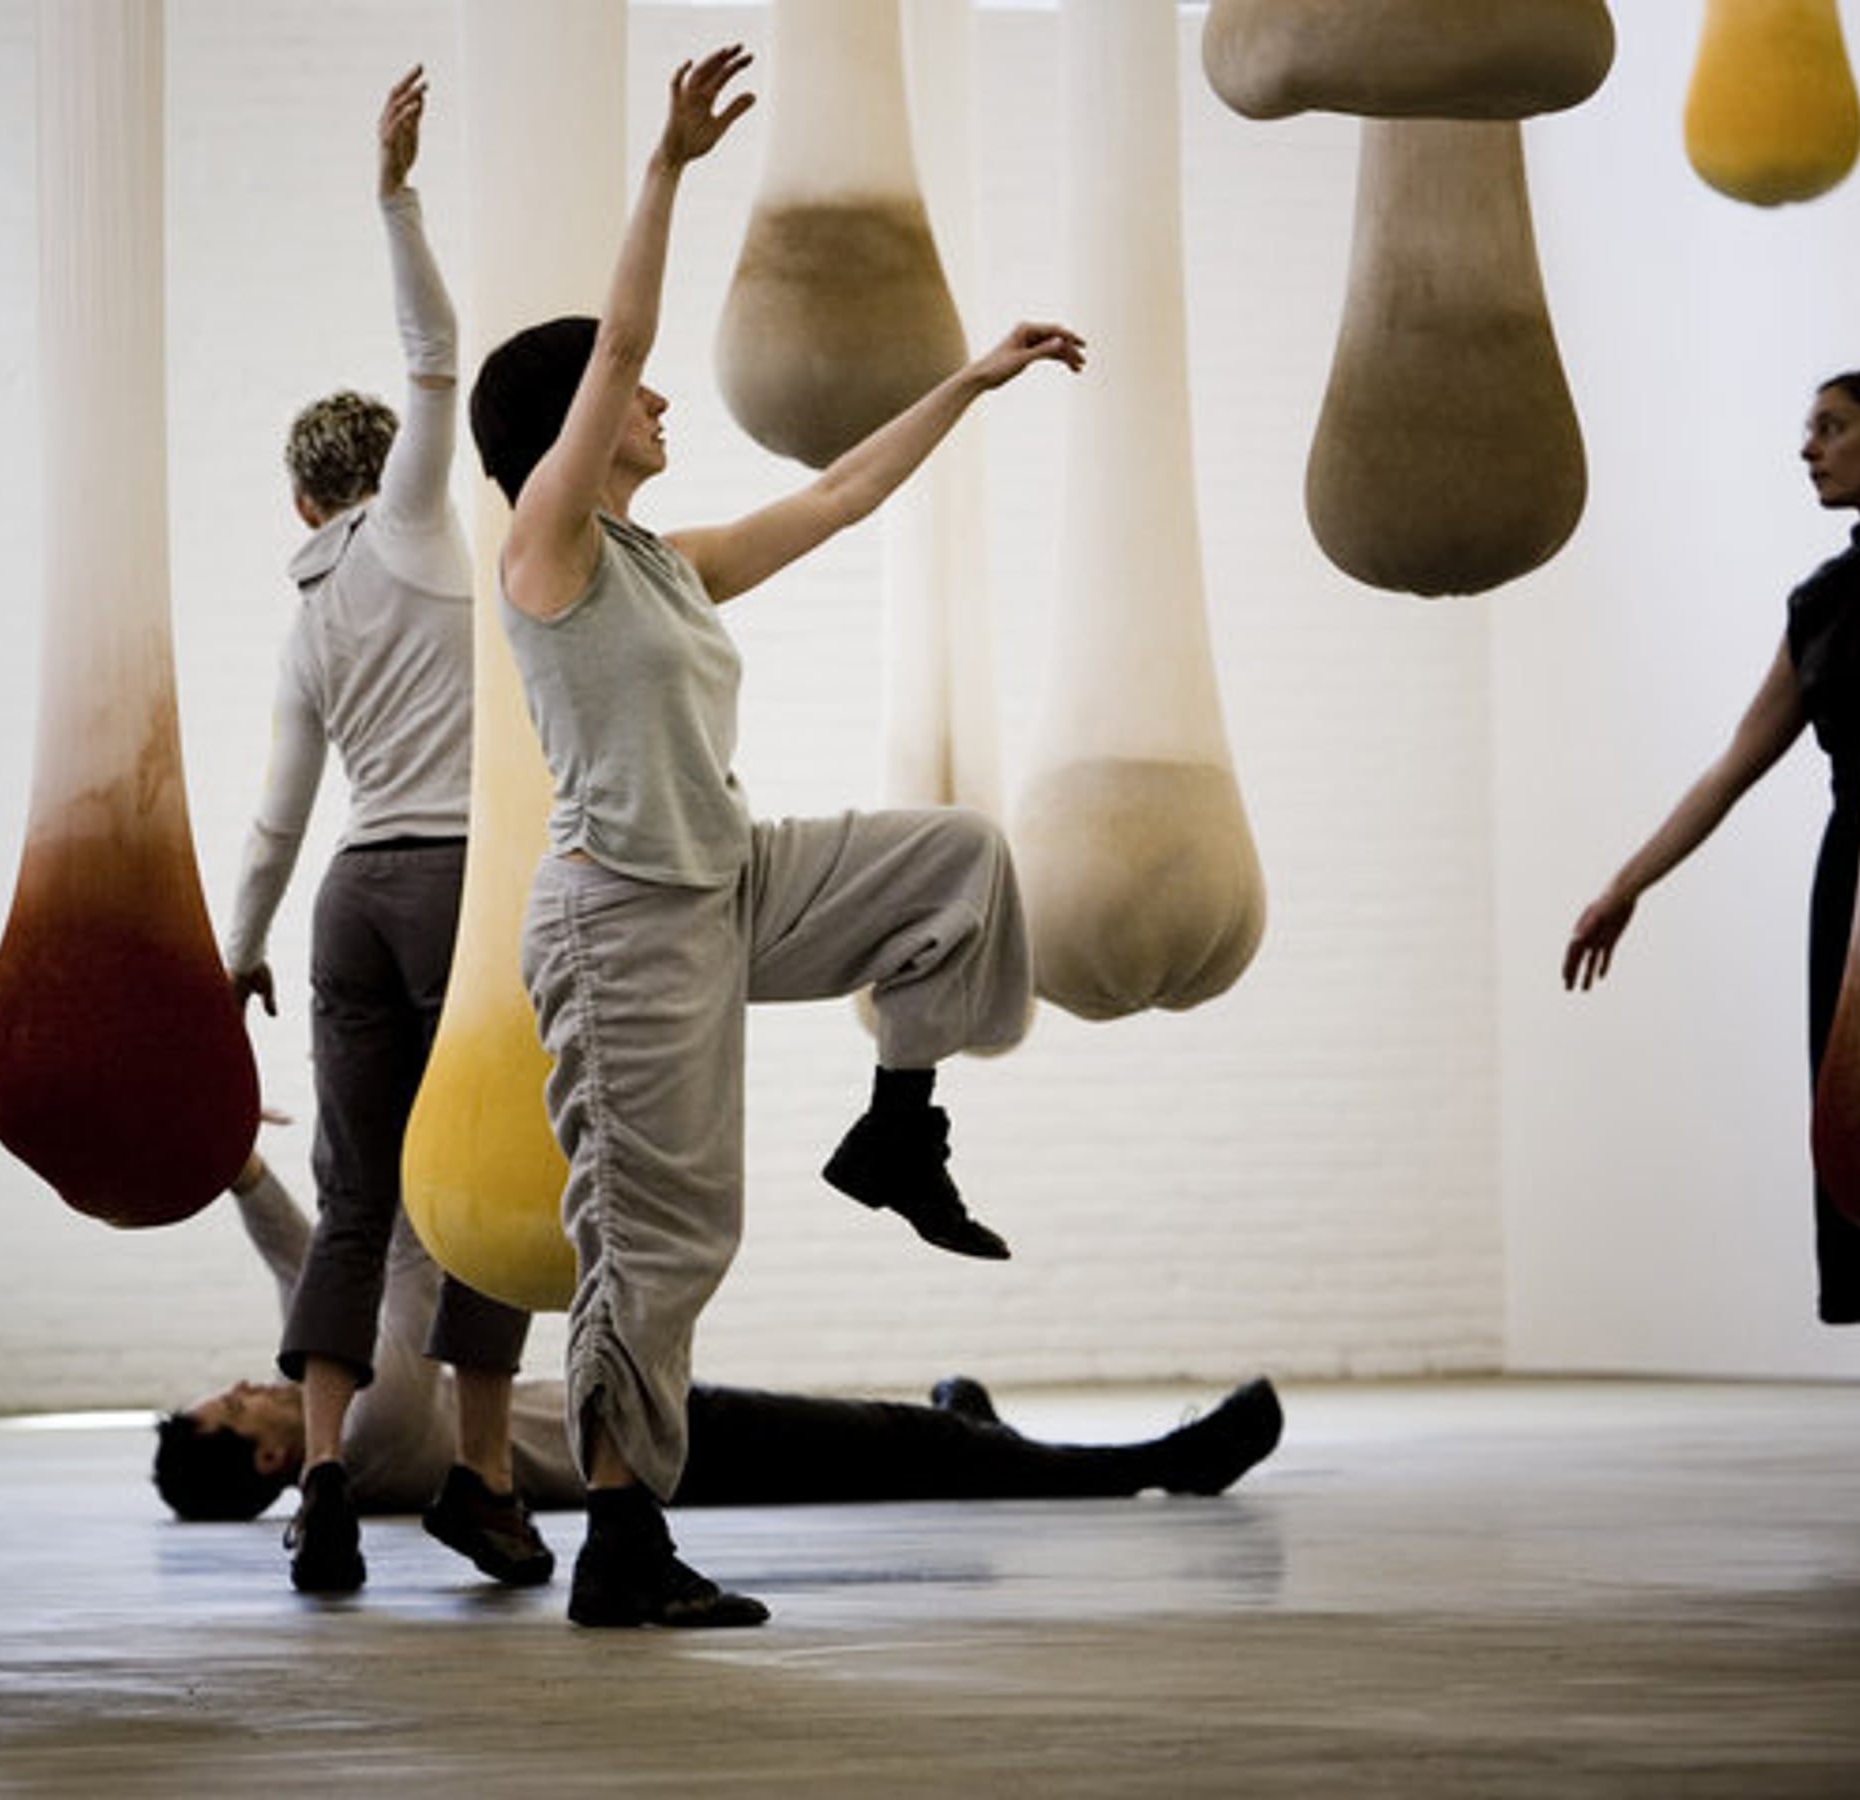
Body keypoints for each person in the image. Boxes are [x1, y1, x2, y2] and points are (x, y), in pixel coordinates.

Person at [467, 45, 1086, 1627]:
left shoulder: (661, 561)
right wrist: (667, 165)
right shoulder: (546, 553)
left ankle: (897, 1131)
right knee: (660, 1235)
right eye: (630, 399)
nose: (657, 400)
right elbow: (622, 341)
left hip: (729, 880)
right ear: (571, 425)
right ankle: (621, 1543)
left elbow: (845, 496)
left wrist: (973, 380)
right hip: (621, 918)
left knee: (960, 860)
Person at [223, 69, 545, 1597]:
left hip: (346, 902)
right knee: (483, 1178)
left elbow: (275, 820)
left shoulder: (304, 622)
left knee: (354, 1202)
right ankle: (483, 1479)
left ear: (300, 498)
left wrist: (235, 956)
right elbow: (437, 358)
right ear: (375, 482)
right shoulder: (417, 527)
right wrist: (395, 195)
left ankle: (326, 1480)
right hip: (459, 891)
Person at [1563, 371, 1860, 1513]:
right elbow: (1731, 769)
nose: (1809, 449)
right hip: (1856, 884)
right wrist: (1625, 884)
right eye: (1809, 430)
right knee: (1858, 1134)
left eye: (1832, 428)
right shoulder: (1824, 603)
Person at [154, 1158, 1285, 1526]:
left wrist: (242, 1169)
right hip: (671, 1456)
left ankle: (966, 1432)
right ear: (269, 1457)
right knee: (905, 1449)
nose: (253, 1381)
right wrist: (395, 1140)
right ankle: (1160, 1466)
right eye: (236, 1403)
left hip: (655, 1432)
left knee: (895, 1442)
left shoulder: (351, 1439)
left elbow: (317, 1280)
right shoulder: (367, 1434)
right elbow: (374, 1270)